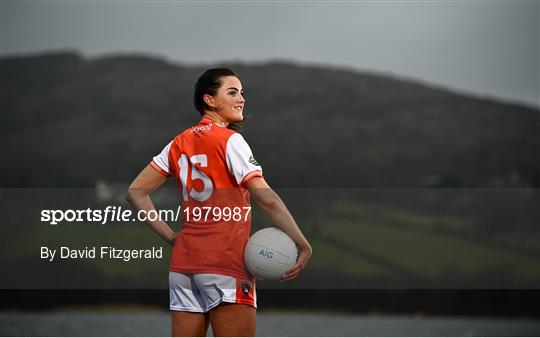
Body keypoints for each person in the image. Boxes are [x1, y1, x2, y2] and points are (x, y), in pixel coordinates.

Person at [125, 68, 312, 337]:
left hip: (184, 267)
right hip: (225, 264)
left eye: (242, 93)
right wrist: (302, 244)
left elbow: (135, 192)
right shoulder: (231, 141)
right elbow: (267, 200)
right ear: (209, 100)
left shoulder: (178, 142)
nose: (241, 99)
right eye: (232, 92)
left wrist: (171, 237)